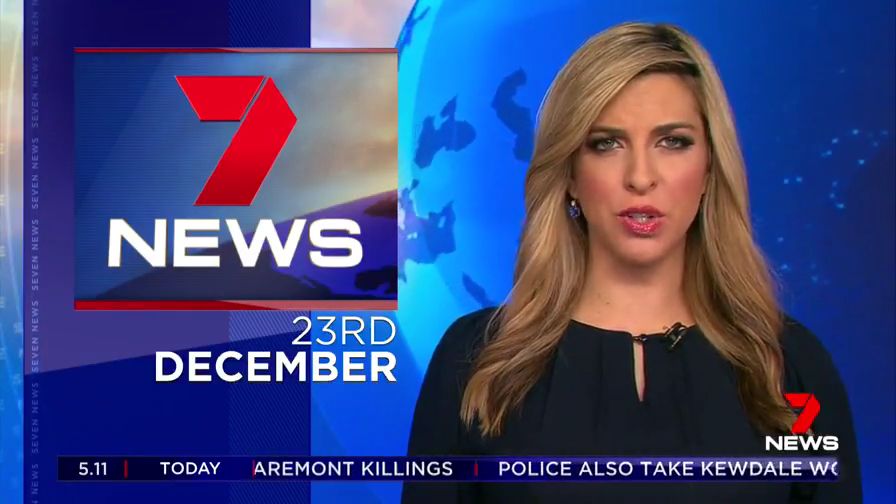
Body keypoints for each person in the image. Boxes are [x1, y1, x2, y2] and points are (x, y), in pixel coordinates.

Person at [402, 22, 861, 503]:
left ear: (710, 168)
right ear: (570, 174)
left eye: (673, 142)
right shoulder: (477, 363)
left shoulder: (789, 367)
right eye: (606, 143)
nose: (641, 177)